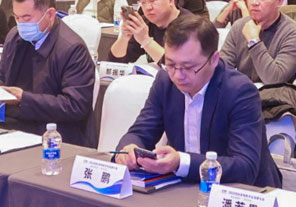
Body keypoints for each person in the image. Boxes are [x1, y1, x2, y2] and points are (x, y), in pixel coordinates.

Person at [114, 12, 277, 186]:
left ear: (214, 59)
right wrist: (129, 150)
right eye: (171, 64)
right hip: (183, 187)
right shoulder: (165, 81)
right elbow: (140, 132)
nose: (178, 75)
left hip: (240, 191)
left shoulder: (239, 91)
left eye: (188, 67)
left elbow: (244, 168)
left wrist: (181, 162)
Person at [0, 0, 97, 138]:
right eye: (16, 18)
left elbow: (75, 106)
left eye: (27, 18)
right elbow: (2, 74)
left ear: (50, 14)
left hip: (55, 133)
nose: (21, 24)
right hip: (12, 125)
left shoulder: (72, 49)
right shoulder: (15, 36)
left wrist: (23, 98)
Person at [219, 0, 296, 86]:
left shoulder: (294, 34)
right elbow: (222, 69)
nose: (254, 2)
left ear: (279, 1)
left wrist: (254, 42)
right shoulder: (239, 26)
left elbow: (274, 80)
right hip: (244, 92)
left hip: (280, 95)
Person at [110, 0, 183, 63]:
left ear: (170, 0)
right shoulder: (145, 23)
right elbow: (115, 62)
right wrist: (124, 37)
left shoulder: (191, 26)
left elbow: (178, 66)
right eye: (143, 2)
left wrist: (145, 40)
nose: (148, 7)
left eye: (153, 0)